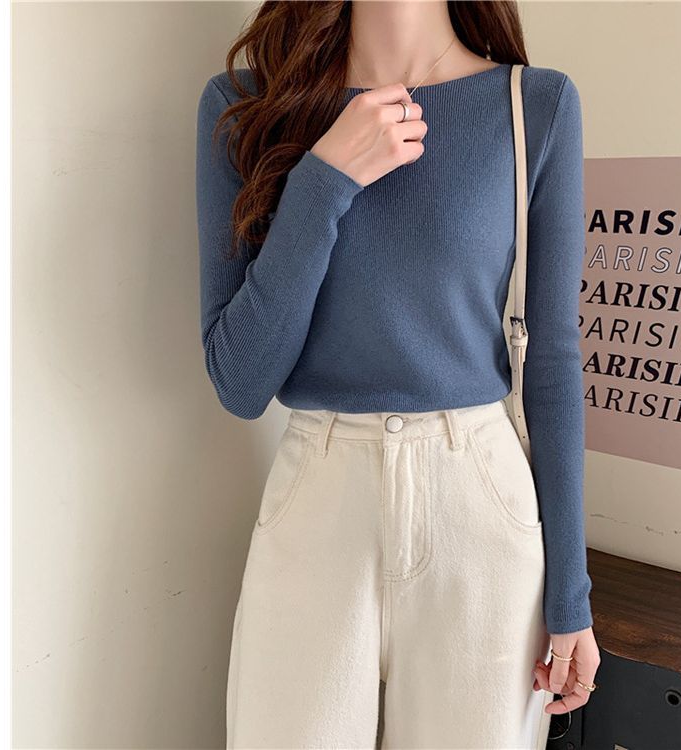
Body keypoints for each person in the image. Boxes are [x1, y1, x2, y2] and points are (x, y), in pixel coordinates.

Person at [195, 1, 601, 747]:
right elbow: (240, 380)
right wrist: (322, 180)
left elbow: (550, 360)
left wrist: (571, 597)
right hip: (318, 500)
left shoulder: (534, 106)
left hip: (478, 505)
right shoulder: (246, 107)